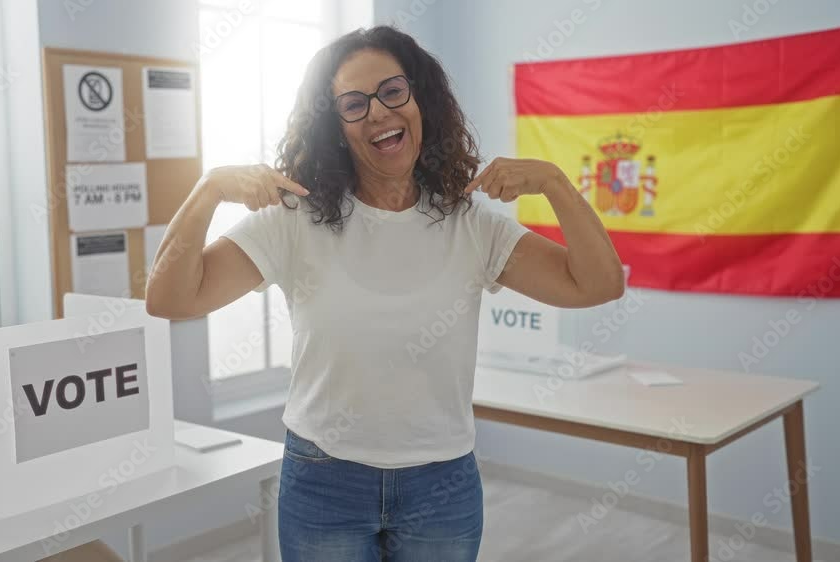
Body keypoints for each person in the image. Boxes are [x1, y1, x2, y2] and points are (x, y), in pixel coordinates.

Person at [146, 25, 624, 562]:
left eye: (393, 91)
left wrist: (557, 184)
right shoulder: (293, 219)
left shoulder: (470, 224)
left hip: (441, 483)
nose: (377, 112)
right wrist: (209, 189)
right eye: (353, 104)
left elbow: (600, 283)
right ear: (336, 127)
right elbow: (169, 298)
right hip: (324, 479)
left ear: (421, 101)